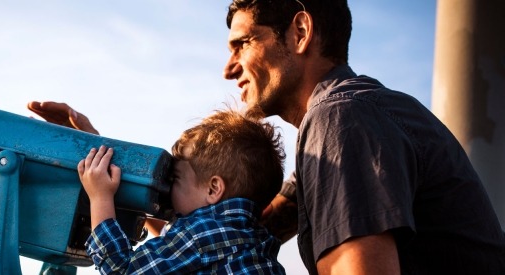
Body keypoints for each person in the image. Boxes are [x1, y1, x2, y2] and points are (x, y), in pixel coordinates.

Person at [30, 0, 505, 274]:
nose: (228, 67)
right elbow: (227, 221)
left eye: (243, 43)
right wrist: (103, 156)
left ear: (300, 31)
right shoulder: (339, 131)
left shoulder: (343, 120)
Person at [77, 110, 286, 274]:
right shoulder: (254, 240)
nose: (168, 188)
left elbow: (122, 270)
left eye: (176, 178)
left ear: (213, 189)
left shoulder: (204, 233)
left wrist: (100, 197)